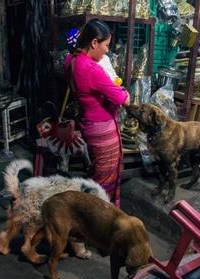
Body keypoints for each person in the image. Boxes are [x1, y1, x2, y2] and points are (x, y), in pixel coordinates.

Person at [64, 19, 130, 208]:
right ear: (94, 42)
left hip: (89, 124)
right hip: (102, 129)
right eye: (106, 45)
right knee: (104, 180)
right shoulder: (92, 69)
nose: (107, 50)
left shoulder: (72, 60)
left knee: (97, 172)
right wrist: (125, 92)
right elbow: (123, 99)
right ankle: (94, 221)